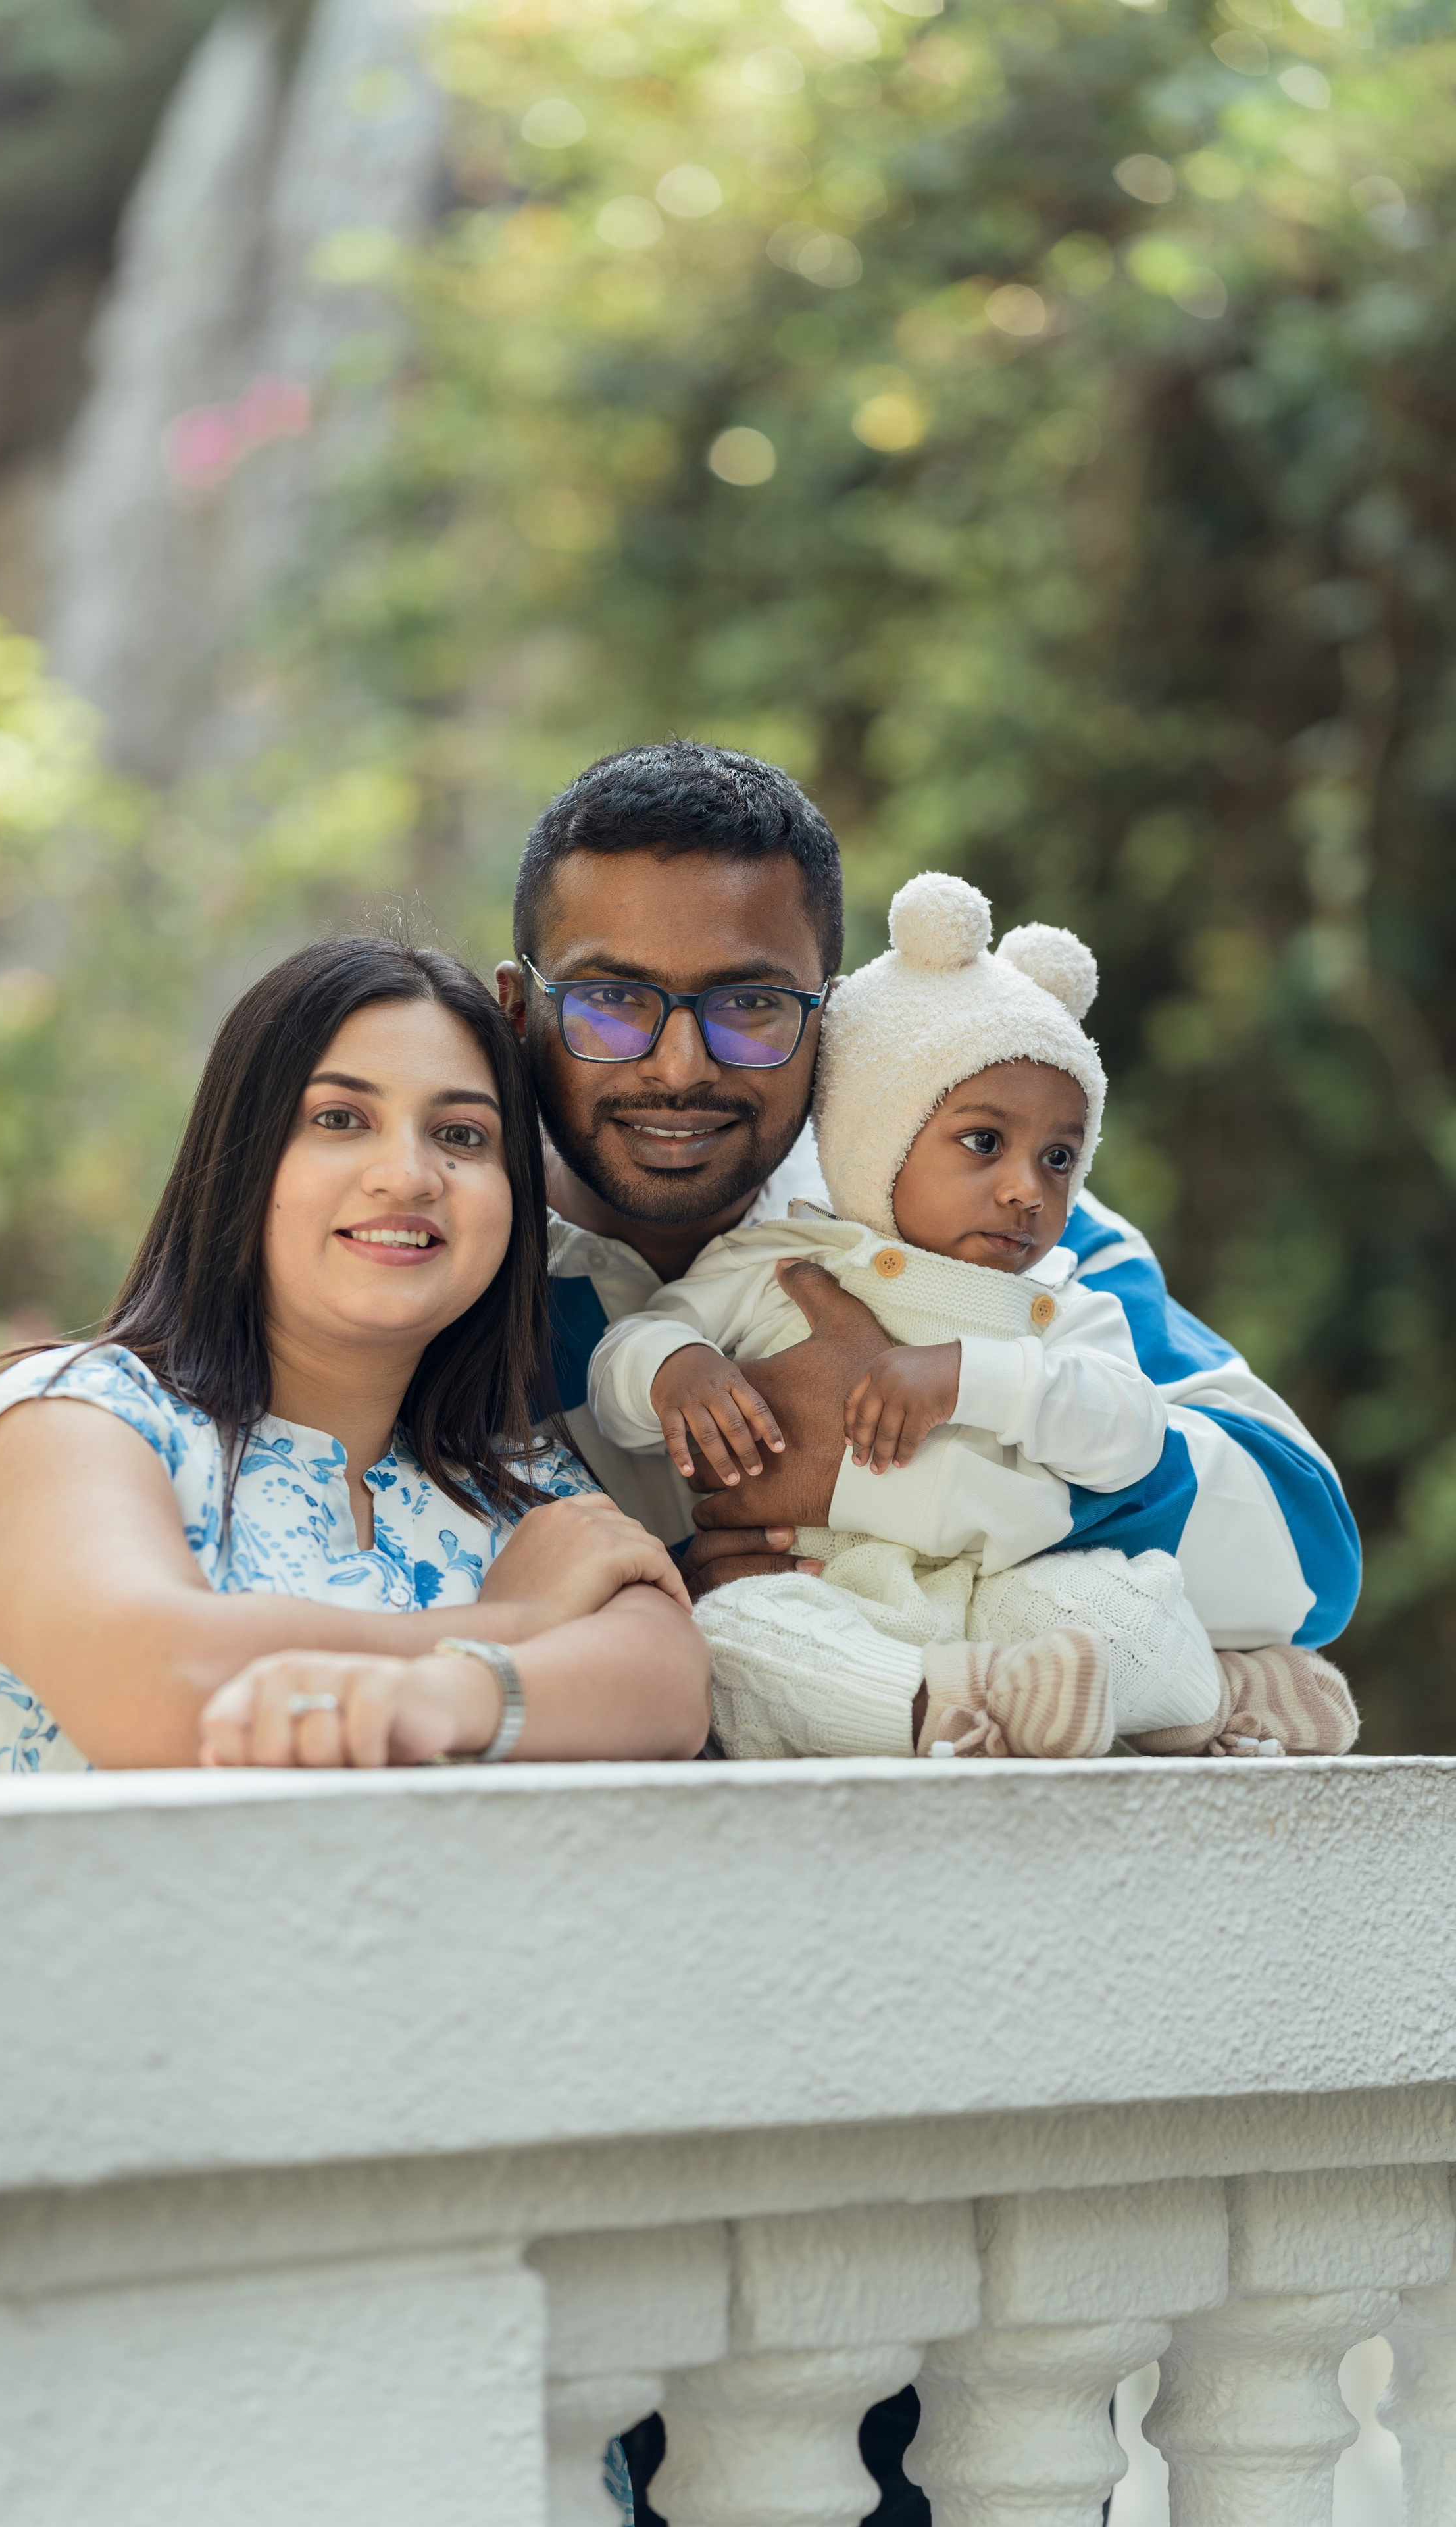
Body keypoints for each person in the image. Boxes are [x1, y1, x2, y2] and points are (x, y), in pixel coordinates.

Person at [495, 738, 1361, 2526]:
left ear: (831, 1017)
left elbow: (1303, 1552)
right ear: (525, 1012)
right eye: (611, 1006)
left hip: (911, 2107)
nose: (678, 1063)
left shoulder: (987, 1222)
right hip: (553, 2118)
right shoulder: (442, 1224)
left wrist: (959, 1411)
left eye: (748, 1009)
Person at [586, 869, 1357, 1763]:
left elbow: (1134, 1433)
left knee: (1109, 1605)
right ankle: (951, 1711)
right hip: (841, 1595)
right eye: (983, 1143)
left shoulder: (1064, 1292)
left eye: (1061, 1157)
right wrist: (677, 1370)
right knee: (731, 1640)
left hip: (1013, 1591)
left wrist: (975, 1382)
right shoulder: (779, 1262)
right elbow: (627, 1358)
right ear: (880, 1132)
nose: (1028, 1189)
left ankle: (1223, 1694)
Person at [0, 937, 710, 1776]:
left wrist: (447, 1699)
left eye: (460, 1133)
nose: (408, 1176)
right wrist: (517, 1621)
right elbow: (159, 1686)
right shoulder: (79, 1420)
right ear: (241, 1156)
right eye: (339, 1119)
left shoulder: (519, 1481)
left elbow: (670, 1688)